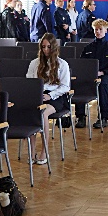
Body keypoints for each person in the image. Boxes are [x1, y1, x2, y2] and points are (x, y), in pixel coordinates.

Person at [26, 33, 70, 164]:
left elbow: (65, 87)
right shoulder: (34, 63)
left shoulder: (62, 64)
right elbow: (29, 82)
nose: (46, 50)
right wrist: (36, 94)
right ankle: (31, 152)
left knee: (43, 113)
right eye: (43, 47)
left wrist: (50, 95)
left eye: (49, 47)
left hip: (56, 96)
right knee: (31, 112)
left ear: (54, 47)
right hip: (38, 94)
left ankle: (44, 151)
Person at [80, 19, 108, 129]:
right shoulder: (88, 48)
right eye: (96, 29)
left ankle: (103, 118)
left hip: (105, 75)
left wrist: (103, 72)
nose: (98, 32)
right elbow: (82, 64)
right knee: (79, 84)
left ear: (105, 31)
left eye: (100, 29)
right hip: (90, 76)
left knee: (102, 85)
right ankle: (81, 117)